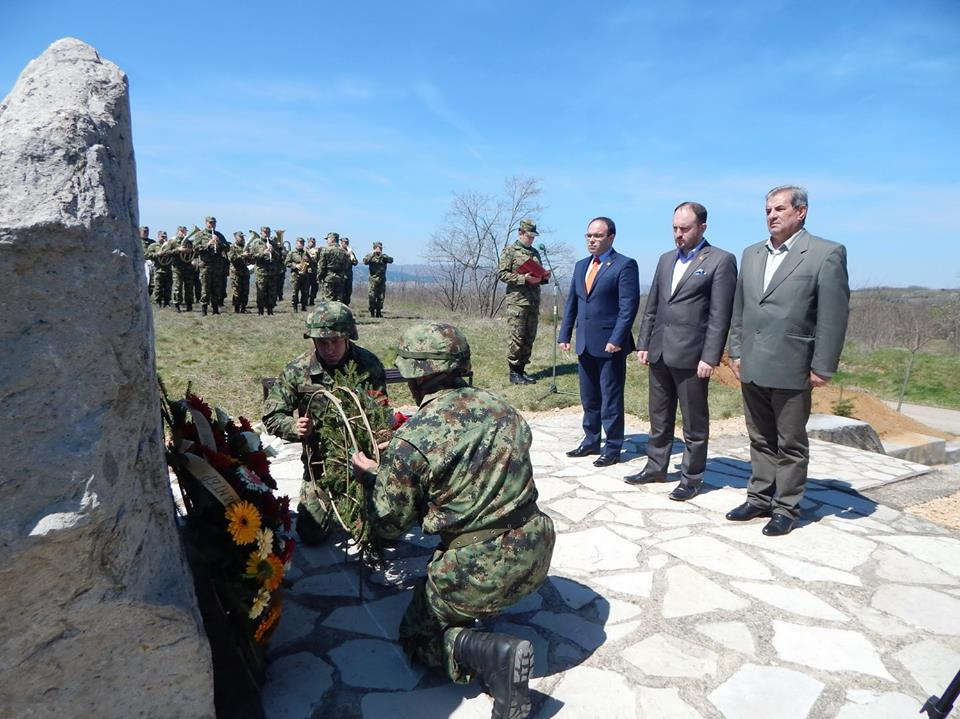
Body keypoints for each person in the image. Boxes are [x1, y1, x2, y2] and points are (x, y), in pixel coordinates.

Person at [351, 323, 554, 719]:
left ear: (417, 376)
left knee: (416, 635)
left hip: (478, 569)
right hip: (538, 546)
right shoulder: (504, 409)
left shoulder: (415, 437)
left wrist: (377, 476)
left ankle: (492, 653)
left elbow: (388, 525)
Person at [726, 185, 850, 536]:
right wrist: (734, 350)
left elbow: (833, 315)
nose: (772, 215)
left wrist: (823, 365)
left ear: (801, 211)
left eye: (779, 209)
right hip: (751, 361)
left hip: (793, 364)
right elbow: (741, 309)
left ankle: (787, 507)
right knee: (760, 438)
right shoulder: (752, 254)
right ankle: (759, 498)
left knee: (790, 442)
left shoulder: (825, 254)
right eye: (767, 210)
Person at [626, 202, 737, 500]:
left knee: (694, 421)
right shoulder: (665, 260)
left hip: (692, 356)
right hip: (660, 350)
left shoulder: (720, 260)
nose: (678, 234)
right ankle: (656, 466)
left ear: (702, 227)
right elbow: (653, 306)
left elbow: (719, 314)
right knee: (659, 415)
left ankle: (692, 476)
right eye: (675, 228)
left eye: (685, 228)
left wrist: (710, 357)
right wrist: (644, 343)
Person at [262, 301, 387, 545]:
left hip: (362, 459)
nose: (329, 348)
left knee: (379, 531)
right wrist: (294, 427)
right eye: (322, 342)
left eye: (335, 341)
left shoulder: (368, 365)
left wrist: (381, 440)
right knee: (312, 533)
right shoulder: (299, 369)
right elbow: (272, 415)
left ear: (348, 337)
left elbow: (380, 411)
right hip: (320, 464)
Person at [558, 217, 640, 466]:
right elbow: (573, 301)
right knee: (589, 396)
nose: (591, 240)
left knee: (610, 396)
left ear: (611, 237)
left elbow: (628, 307)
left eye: (597, 236)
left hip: (610, 344)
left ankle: (613, 447)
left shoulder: (624, 265)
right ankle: (591, 440)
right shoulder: (581, 265)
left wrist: (617, 338)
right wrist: (565, 334)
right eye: (588, 236)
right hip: (585, 341)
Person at [497, 219, 550, 385]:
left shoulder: (535, 253)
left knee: (529, 337)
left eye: (534, 236)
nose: (531, 239)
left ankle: (521, 370)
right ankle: (513, 372)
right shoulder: (510, 251)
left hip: (533, 301)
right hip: (517, 302)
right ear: (520, 233)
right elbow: (502, 274)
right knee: (517, 337)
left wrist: (543, 277)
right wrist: (522, 278)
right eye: (529, 236)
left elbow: (537, 276)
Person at [197, 216, 229, 315]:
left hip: (217, 266)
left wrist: (219, 242)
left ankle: (215, 309)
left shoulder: (219, 235)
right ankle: (204, 310)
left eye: (214, 223)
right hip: (205, 266)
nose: (212, 225)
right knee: (205, 289)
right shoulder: (200, 235)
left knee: (216, 288)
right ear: (206, 223)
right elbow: (195, 248)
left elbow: (227, 248)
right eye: (210, 223)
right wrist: (208, 244)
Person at [251, 226, 278, 315]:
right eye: (264, 232)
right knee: (261, 292)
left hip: (272, 272)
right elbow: (252, 257)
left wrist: (273, 251)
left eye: (268, 232)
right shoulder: (256, 243)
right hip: (261, 272)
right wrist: (263, 253)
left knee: (272, 292)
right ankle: (260, 311)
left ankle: (270, 310)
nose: (266, 234)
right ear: (261, 232)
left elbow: (279, 257)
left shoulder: (273, 243)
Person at [362, 241, 394, 317]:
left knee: (381, 297)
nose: (379, 249)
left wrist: (383, 256)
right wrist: (373, 254)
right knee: (372, 296)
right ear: (374, 248)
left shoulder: (384, 256)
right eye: (377, 247)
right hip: (372, 280)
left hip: (382, 279)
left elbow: (391, 260)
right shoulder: (370, 256)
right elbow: (365, 261)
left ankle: (379, 311)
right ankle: (372, 311)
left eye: (380, 248)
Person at [318, 231, 351, 302]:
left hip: (329, 278)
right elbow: (346, 266)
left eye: (328, 239)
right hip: (340, 278)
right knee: (339, 300)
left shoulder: (326, 250)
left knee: (328, 300)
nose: (327, 241)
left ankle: (329, 313)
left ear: (332, 239)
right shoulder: (344, 251)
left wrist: (319, 277)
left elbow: (321, 266)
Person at [147, 229, 177, 308]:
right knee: (158, 287)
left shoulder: (169, 245)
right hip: (158, 269)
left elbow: (175, 253)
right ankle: (158, 302)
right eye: (162, 237)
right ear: (158, 237)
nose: (164, 238)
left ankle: (167, 302)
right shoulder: (153, 245)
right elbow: (147, 255)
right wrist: (157, 254)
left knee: (168, 287)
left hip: (168, 269)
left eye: (165, 236)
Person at [171, 227, 195, 312]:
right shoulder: (172, 241)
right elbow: (167, 252)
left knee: (189, 287)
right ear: (178, 232)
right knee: (177, 287)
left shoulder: (189, 242)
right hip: (177, 268)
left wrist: (190, 251)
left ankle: (189, 304)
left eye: (185, 232)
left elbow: (194, 253)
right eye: (181, 231)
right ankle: (177, 304)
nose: (183, 233)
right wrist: (178, 249)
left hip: (188, 267)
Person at [285, 237, 310, 313]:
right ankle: (295, 307)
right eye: (300, 242)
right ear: (296, 243)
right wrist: (295, 265)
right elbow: (286, 263)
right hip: (295, 275)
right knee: (295, 292)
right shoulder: (292, 253)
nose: (301, 244)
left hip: (304, 275)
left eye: (302, 243)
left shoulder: (306, 252)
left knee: (305, 292)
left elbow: (310, 262)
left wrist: (308, 263)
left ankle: (303, 306)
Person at [229, 231, 251, 313]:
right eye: (240, 237)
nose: (242, 238)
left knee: (245, 291)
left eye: (243, 237)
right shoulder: (232, 247)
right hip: (236, 273)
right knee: (237, 291)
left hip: (245, 272)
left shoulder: (246, 247)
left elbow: (251, 261)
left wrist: (249, 256)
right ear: (236, 238)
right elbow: (231, 258)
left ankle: (243, 308)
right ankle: (236, 308)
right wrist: (242, 255)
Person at [340, 236, 358, 305]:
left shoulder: (350, 252)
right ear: (341, 243)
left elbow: (355, 263)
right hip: (341, 275)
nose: (345, 244)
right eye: (344, 242)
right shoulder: (339, 251)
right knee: (341, 292)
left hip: (349, 275)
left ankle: (346, 305)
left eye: (347, 243)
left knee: (348, 292)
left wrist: (351, 255)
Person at [305, 237, 320, 306]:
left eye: (314, 242)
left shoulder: (317, 250)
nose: (313, 243)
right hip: (306, 271)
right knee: (306, 287)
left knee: (315, 287)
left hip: (314, 271)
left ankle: (312, 300)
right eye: (311, 242)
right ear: (308, 242)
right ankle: (305, 300)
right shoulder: (304, 250)